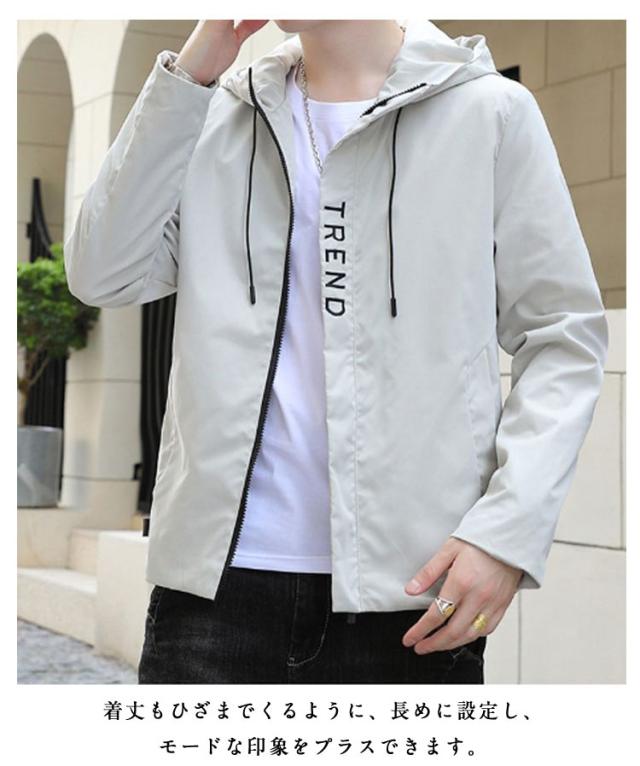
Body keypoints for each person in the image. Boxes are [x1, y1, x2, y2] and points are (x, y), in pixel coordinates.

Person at [63, 19, 608, 684]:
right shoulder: (215, 114)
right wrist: (192, 72)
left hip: (411, 595)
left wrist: (506, 533)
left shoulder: (488, 111)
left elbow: (562, 336)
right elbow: (101, 274)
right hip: (212, 595)